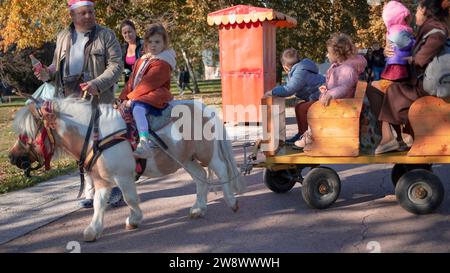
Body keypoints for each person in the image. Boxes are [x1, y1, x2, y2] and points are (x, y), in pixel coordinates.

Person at [33, 0, 124, 208]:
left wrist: (96, 84)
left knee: (103, 144)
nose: (88, 16)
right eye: (83, 13)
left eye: (91, 12)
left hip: (98, 98)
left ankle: (115, 188)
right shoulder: (63, 37)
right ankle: (91, 192)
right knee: (80, 147)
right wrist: (45, 73)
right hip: (70, 98)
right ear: (72, 15)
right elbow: (56, 66)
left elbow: (116, 65)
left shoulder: (106, 35)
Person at [371, 0, 449, 155]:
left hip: (434, 84)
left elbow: (433, 43)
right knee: (385, 88)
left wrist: (416, 58)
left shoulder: (436, 28)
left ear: (426, 11)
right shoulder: (432, 27)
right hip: (429, 80)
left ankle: (395, 137)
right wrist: (389, 50)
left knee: (390, 90)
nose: (415, 14)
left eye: (418, 10)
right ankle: (396, 137)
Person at [294, 33, 367, 150]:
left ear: (337, 54)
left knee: (314, 111)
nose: (327, 55)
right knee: (311, 107)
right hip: (336, 103)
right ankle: (310, 136)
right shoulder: (337, 67)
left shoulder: (347, 70)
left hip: (341, 106)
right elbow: (335, 84)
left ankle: (312, 137)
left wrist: (330, 93)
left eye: (329, 52)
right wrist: (325, 87)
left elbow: (345, 87)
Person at [119, 23, 176, 156]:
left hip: (156, 94)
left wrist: (130, 99)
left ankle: (145, 141)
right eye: (150, 42)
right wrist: (122, 98)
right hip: (141, 93)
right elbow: (131, 81)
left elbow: (148, 83)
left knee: (138, 109)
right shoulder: (142, 60)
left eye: (157, 42)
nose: (153, 45)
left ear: (164, 43)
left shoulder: (163, 62)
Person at [269, 48, 326, 144]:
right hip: (319, 95)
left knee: (302, 108)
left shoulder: (300, 72)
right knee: (299, 107)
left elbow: (288, 90)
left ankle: (303, 135)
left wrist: (272, 92)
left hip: (323, 96)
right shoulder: (301, 68)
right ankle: (301, 134)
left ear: (285, 67)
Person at [380, 0, 415, 82]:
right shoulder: (397, 29)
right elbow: (404, 43)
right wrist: (415, 42)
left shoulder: (396, 29)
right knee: (399, 86)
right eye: (407, 17)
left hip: (400, 62)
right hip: (398, 64)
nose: (410, 18)